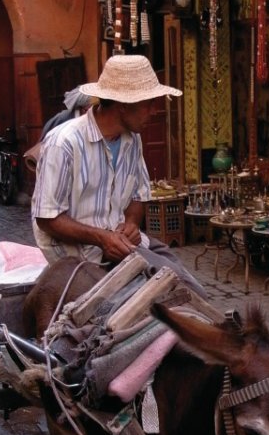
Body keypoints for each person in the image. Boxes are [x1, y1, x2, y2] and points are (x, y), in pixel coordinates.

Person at [31, 55, 199, 287]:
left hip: (121, 245)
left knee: (187, 285)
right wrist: (102, 238)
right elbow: (47, 218)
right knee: (141, 299)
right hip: (76, 255)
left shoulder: (133, 140)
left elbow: (137, 196)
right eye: (148, 104)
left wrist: (130, 223)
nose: (154, 111)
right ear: (124, 105)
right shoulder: (64, 143)